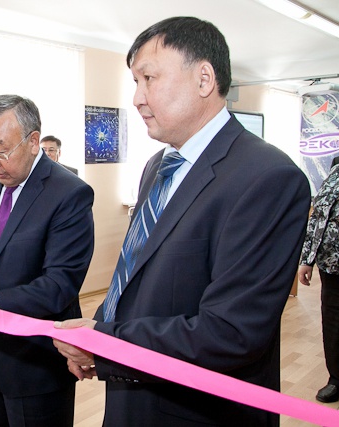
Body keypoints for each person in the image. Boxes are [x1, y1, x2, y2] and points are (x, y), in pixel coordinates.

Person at [53, 16, 311, 426]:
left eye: (149, 79)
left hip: (198, 411)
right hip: (133, 394)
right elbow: (135, 274)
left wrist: (105, 342)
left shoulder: (268, 177)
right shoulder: (158, 165)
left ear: (204, 79)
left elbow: (231, 333)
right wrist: (98, 331)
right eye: (134, 82)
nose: (137, 98)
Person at [0, 94, 94, 427]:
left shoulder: (69, 193)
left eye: (1, 149)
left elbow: (59, 285)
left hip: (37, 360)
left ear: (33, 142)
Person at [299, 164, 339, 403]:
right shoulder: (335, 172)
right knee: (333, 324)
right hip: (330, 265)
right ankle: (336, 379)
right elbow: (317, 219)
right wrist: (307, 260)